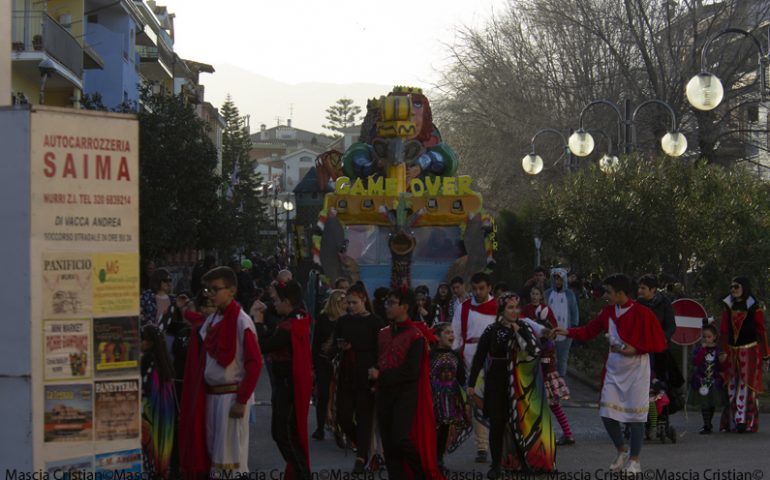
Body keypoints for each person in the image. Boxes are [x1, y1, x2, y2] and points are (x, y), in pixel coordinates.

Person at [553, 273, 666, 474]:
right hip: (614, 369)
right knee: (606, 412)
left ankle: (635, 460)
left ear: (620, 293)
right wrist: (566, 331)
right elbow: (588, 331)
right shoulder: (608, 312)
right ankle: (621, 450)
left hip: (637, 370)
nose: (604, 295)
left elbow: (658, 342)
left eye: (608, 292)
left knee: (635, 416)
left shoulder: (642, 313)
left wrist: (636, 348)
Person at [178, 267, 263, 478]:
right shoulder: (212, 320)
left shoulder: (242, 321)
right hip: (211, 397)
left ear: (231, 290)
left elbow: (255, 363)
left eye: (215, 289)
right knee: (212, 456)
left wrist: (242, 400)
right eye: (208, 289)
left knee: (230, 461)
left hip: (231, 397)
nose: (210, 294)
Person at [468, 293, 554, 478]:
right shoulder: (491, 330)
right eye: (510, 307)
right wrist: (471, 383)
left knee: (518, 423)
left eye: (517, 307)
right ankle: (496, 465)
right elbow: (479, 358)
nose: (515, 311)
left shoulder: (524, 327)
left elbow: (534, 350)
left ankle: (524, 464)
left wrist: (517, 330)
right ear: (501, 310)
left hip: (519, 384)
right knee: (498, 424)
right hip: (496, 382)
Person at [368, 288, 443, 479]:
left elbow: (411, 371)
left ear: (405, 307)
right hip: (384, 392)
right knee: (388, 442)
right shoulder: (384, 332)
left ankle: (420, 475)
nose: (388, 306)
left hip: (405, 393)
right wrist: (374, 370)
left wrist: (381, 375)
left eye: (392, 303)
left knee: (400, 438)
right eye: (387, 302)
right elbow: (381, 359)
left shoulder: (415, 336)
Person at [254, 280, 313, 479]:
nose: (274, 304)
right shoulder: (296, 318)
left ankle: (303, 474)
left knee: (284, 434)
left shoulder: (290, 326)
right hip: (285, 385)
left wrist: (258, 321)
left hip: (288, 386)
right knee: (283, 433)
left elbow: (263, 345)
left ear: (287, 301)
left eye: (277, 300)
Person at [333, 284, 385, 473]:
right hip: (347, 374)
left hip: (366, 373)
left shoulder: (375, 322)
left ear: (363, 300)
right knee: (343, 416)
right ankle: (362, 446)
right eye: (348, 303)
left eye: (354, 302)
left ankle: (361, 457)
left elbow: (381, 349)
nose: (351, 306)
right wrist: (340, 347)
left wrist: (377, 369)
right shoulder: (343, 321)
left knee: (365, 417)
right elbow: (333, 346)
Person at [452, 271, 496, 464]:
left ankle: (501, 444)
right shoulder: (463, 307)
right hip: (471, 360)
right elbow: (455, 335)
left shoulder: (499, 307)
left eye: (482, 288)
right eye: (475, 288)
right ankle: (482, 446)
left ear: (489, 288)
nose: (478, 292)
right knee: (478, 402)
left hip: (495, 361)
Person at [522, 286, 574, 446]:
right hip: (540, 371)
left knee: (548, 406)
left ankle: (561, 434)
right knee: (546, 406)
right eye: (533, 293)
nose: (535, 296)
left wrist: (543, 363)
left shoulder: (546, 341)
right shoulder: (527, 311)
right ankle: (563, 434)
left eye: (537, 293)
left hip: (543, 373)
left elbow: (546, 357)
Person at [718, 276, 769, 433]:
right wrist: (722, 350)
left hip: (750, 351)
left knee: (747, 386)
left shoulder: (754, 307)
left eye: (736, 287)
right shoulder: (728, 307)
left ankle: (744, 421)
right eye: (731, 287)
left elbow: (761, 331)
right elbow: (724, 331)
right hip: (732, 352)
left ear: (744, 288)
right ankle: (734, 421)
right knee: (732, 385)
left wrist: (766, 355)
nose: (733, 290)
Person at [430, 323, 471, 473]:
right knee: (434, 428)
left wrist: (467, 397)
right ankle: (430, 457)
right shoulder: (430, 355)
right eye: (447, 333)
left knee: (445, 428)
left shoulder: (455, 355)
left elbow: (461, 377)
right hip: (433, 397)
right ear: (436, 337)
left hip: (450, 398)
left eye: (452, 332)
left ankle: (439, 458)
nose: (452, 336)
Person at [141, 324, 176, 479]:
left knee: (149, 450)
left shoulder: (148, 359)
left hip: (150, 414)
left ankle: (153, 471)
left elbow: (144, 388)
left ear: (149, 342)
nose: (139, 343)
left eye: (142, 339)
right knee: (161, 447)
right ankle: (162, 471)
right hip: (165, 416)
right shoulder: (165, 362)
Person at [311, 289, 346, 440]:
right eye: (345, 302)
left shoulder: (347, 320)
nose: (347, 305)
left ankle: (339, 428)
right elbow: (316, 342)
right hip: (324, 361)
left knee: (340, 395)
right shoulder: (324, 318)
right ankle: (320, 427)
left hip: (339, 361)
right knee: (323, 395)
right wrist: (313, 365)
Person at [691, 319, 727, 434]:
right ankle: (706, 425)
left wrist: (723, 361)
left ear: (715, 337)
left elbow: (722, 367)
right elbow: (696, 362)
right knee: (704, 403)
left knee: (712, 403)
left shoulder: (718, 350)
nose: (706, 339)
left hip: (714, 380)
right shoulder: (699, 349)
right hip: (702, 379)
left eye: (709, 336)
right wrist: (702, 349)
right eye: (704, 336)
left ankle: (709, 423)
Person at [545, 267, 579, 378]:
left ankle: (561, 382)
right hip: (549, 331)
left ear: (564, 280)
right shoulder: (548, 293)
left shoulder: (569, 294)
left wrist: (573, 327)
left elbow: (574, 311)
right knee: (548, 356)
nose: (557, 282)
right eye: (555, 279)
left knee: (562, 358)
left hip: (566, 330)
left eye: (559, 279)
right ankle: (548, 379)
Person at [636, 274, 676, 342]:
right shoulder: (638, 302)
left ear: (653, 289)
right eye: (639, 288)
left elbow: (671, 326)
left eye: (643, 288)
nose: (639, 291)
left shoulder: (664, 302)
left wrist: (663, 338)